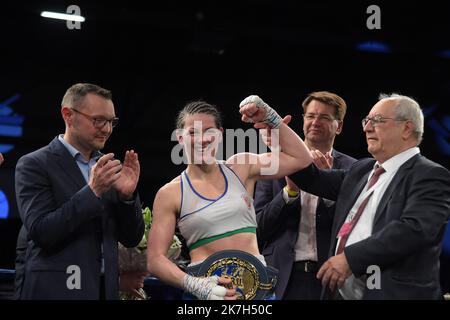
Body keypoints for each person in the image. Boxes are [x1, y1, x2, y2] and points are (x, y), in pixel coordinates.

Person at [146, 97, 313, 300]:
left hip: (258, 292)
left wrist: (271, 117)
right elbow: (155, 260)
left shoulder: (241, 167)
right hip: (204, 295)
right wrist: (194, 285)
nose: (202, 139)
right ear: (180, 138)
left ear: (221, 135)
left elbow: (302, 159)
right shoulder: (171, 193)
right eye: (192, 133)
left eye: (209, 131)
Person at [288, 93, 450, 299]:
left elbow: (414, 229)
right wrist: (275, 128)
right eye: (367, 121)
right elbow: (310, 179)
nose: (366, 128)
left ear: (407, 128)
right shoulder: (362, 169)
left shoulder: (430, 174)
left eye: (377, 121)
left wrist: (350, 259)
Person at [15, 83, 144, 299]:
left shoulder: (109, 168)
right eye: (98, 120)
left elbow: (131, 238)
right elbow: (42, 232)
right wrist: (92, 191)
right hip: (55, 291)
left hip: (104, 291)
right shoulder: (34, 164)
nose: (107, 129)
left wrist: (127, 197)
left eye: (111, 121)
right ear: (68, 115)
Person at [254, 91, 357, 299]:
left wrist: (327, 188)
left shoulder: (354, 169)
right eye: (310, 116)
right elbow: (257, 228)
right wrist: (289, 192)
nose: (315, 122)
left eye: (325, 117)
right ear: (302, 121)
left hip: (331, 277)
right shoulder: (273, 164)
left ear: (340, 126)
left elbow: (355, 229)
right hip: (281, 276)